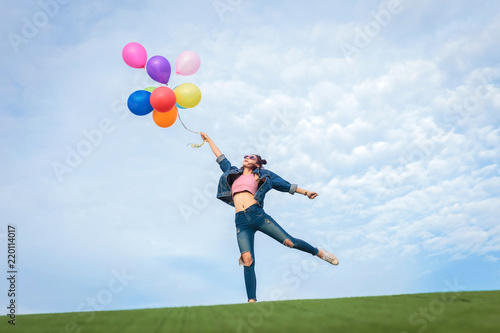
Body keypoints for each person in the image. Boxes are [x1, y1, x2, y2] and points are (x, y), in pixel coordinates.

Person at [200, 132, 339, 303]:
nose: (246, 158)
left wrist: (306, 192)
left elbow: (286, 185)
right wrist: (209, 140)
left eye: (250, 157)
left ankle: (319, 253)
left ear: (257, 163)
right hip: (241, 221)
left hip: (257, 214)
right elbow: (221, 157)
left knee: (289, 242)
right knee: (247, 259)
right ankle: (251, 301)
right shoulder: (233, 172)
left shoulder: (264, 175)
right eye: (245, 156)